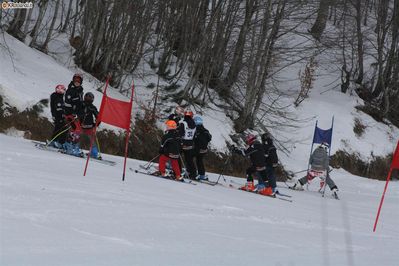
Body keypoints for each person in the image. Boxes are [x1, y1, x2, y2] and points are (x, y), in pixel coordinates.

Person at [62, 74, 84, 157]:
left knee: (77, 130)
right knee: (75, 129)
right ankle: (69, 146)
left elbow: (80, 103)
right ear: (73, 80)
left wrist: (82, 111)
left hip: (77, 114)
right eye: (76, 80)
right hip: (70, 113)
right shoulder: (70, 90)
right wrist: (72, 112)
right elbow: (67, 103)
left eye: (79, 81)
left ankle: (74, 146)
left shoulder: (80, 90)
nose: (77, 82)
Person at [79, 92, 100, 159]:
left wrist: (96, 124)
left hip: (89, 126)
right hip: (80, 125)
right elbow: (76, 110)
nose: (88, 98)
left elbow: (98, 117)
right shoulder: (81, 104)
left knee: (92, 140)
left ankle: (94, 153)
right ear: (85, 97)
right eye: (87, 97)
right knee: (75, 136)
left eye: (90, 97)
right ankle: (73, 148)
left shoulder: (92, 107)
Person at [178, 109, 197, 179]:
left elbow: (181, 134)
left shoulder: (184, 123)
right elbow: (194, 135)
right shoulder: (194, 124)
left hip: (183, 143)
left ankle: (177, 172)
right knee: (189, 160)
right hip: (190, 144)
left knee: (177, 157)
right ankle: (193, 174)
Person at [193, 116, 212, 180]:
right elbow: (209, 138)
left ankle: (192, 172)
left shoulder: (196, 130)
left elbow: (194, 139)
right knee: (199, 161)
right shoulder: (205, 130)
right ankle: (202, 174)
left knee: (190, 158)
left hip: (198, 149)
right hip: (204, 149)